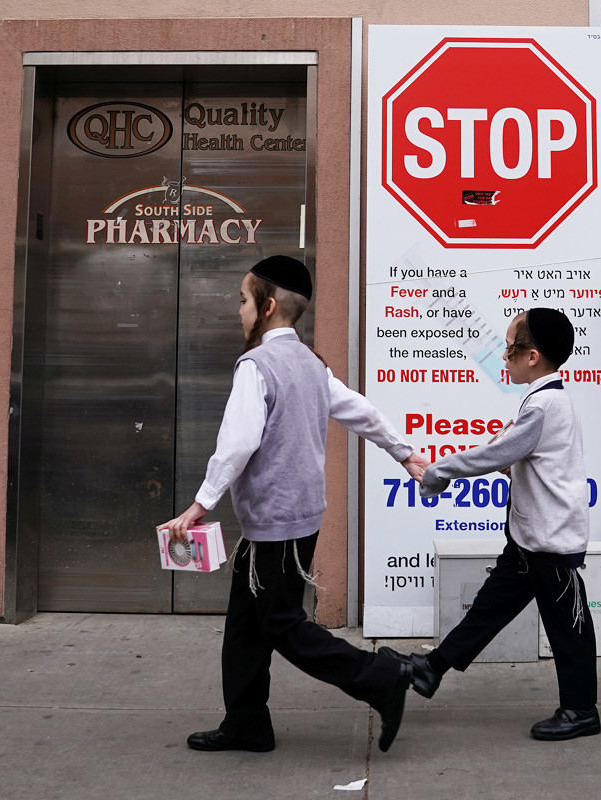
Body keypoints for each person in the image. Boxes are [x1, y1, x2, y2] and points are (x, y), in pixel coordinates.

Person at [159, 255, 426, 755]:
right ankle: (246, 723)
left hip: (275, 524)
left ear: (268, 306)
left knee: (281, 625)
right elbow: (360, 410)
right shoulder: (310, 362)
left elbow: (236, 444)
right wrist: (404, 451)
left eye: (243, 300)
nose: (238, 310)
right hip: (299, 519)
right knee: (246, 623)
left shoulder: (256, 365)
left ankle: (380, 677)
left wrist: (199, 505)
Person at [381, 307, 600, 741]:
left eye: (511, 348)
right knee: (488, 610)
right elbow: (518, 456)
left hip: (549, 542)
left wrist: (438, 473)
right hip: (529, 538)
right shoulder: (546, 399)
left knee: (569, 628)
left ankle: (580, 710)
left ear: (532, 356)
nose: (505, 356)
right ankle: (431, 669)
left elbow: (491, 454)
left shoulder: (542, 404)